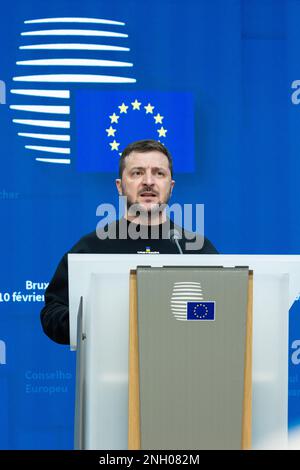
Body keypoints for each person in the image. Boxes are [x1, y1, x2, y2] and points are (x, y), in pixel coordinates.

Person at [40, 139, 218, 344]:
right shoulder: (92, 247)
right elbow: (52, 313)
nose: (148, 182)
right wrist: (98, 321)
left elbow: (222, 309)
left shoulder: (195, 248)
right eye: (137, 173)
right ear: (120, 185)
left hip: (184, 367)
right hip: (109, 371)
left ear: (171, 186)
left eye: (159, 173)